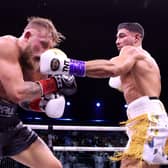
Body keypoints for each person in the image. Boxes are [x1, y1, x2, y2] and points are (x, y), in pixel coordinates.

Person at [40, 22, 168, 168]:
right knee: (134, 164)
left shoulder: (132, 51)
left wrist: (67, 65)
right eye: (116, 37)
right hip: (147, 117)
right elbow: (124, 78)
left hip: (148, 118)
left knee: (131, 165)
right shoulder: (142, 60)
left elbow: (112, 68)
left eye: (122, 36)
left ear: (137, 38)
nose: (117, 41)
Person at [0, 16, 77, 168]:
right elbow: (17, 93)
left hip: (10, 123)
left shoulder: (34, 61)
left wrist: (43, 104)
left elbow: (23, 101)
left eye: (48, 48)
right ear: (28, 35)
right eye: (42, 44)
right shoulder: (6, 46)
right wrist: (56, 82)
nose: (44, 52)